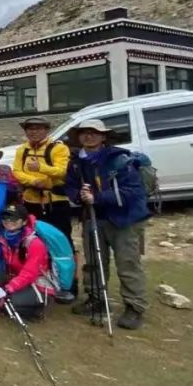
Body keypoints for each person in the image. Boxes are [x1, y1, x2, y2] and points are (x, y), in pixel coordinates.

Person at [64, 119, 150, 330]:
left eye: (94, 132)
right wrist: (79, 196)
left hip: (124, 219)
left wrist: (97, 197)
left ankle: (134, 306)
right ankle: (96, 298)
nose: (89, 136)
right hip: (92, 218)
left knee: (127, 263)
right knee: (94, 261)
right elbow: (70, 187)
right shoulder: (76, 162)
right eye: (84, 132)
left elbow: (133, 191)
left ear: (103, 136)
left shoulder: (119, 159)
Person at [0, 205, 55, 321]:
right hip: (16, 278)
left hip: (36, 285)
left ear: (24, 222)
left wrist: (9, 288)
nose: (8, 221)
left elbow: (29, 274)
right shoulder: (4, 238)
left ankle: (36, 310)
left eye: (14, 218)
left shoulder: (35, 244)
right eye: (5, 217)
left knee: (11, 301)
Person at [13, 116, 72, 245]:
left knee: (61, 238)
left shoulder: (59, 148)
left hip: (55, 201)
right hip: (30, 201)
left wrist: (41, 168)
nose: (34, 132)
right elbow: (16, 172)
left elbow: (63, 171)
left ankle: (66, 258)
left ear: (46, 130)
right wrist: (33, 181)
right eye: (30, 129)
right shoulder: (22, 150)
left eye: (38, 129)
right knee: (34, 238)